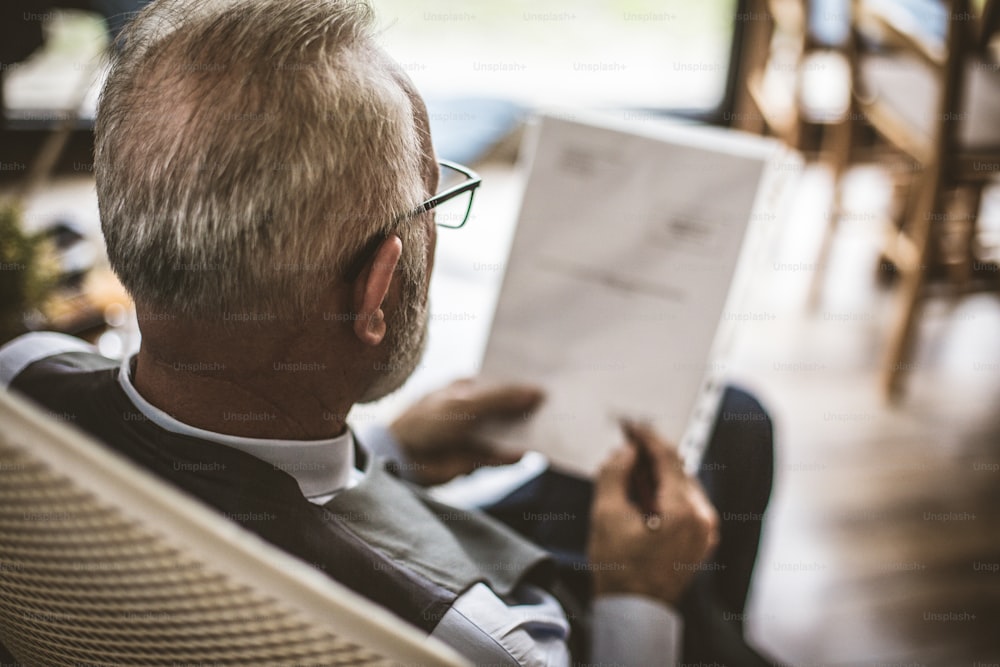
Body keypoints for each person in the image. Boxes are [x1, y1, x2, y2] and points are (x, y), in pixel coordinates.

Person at [0, 0, 777, 664]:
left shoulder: (22, 381)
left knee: (728, 426)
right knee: (731, 447)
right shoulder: (492, 642)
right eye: (430, 202)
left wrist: (395, 455)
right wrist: (640, 601)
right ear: (377, 289)